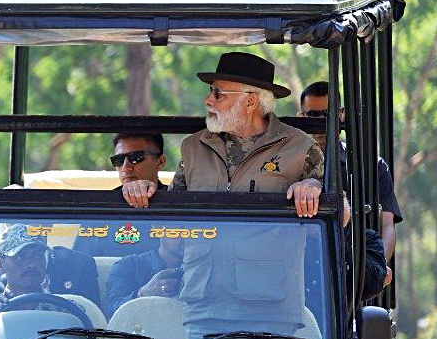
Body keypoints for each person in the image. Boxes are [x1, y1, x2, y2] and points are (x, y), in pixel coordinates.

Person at [121, 52, 325, 216]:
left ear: (251, 102)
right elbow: (173, 215)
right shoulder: (193, 147)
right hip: (202, 269)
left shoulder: (301, 147)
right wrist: (144, 190)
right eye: (211, 91)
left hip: (266, 269)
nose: (208, 100)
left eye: (218, 93)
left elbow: (341, 217)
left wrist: (314, 188)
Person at [300, 81, 400, 288]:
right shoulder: (289, 162)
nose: (322, 122)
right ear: (301, 118)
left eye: (328, 114)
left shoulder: (371, 166)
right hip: (299, 271)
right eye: (313, 116)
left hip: (352, 276)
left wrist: (378, 265)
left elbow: (387, 225)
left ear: (342, 115)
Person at [0, 226, 63, 339]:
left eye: (37, 256)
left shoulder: (64, 309)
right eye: (20, 257)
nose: (31, 264)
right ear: (0, 265)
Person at [105, 236, 183, 316]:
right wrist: (142, 294)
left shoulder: (195, 270)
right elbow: (112, 313)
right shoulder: (127, 266)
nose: (188, 235)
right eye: (180, 228)